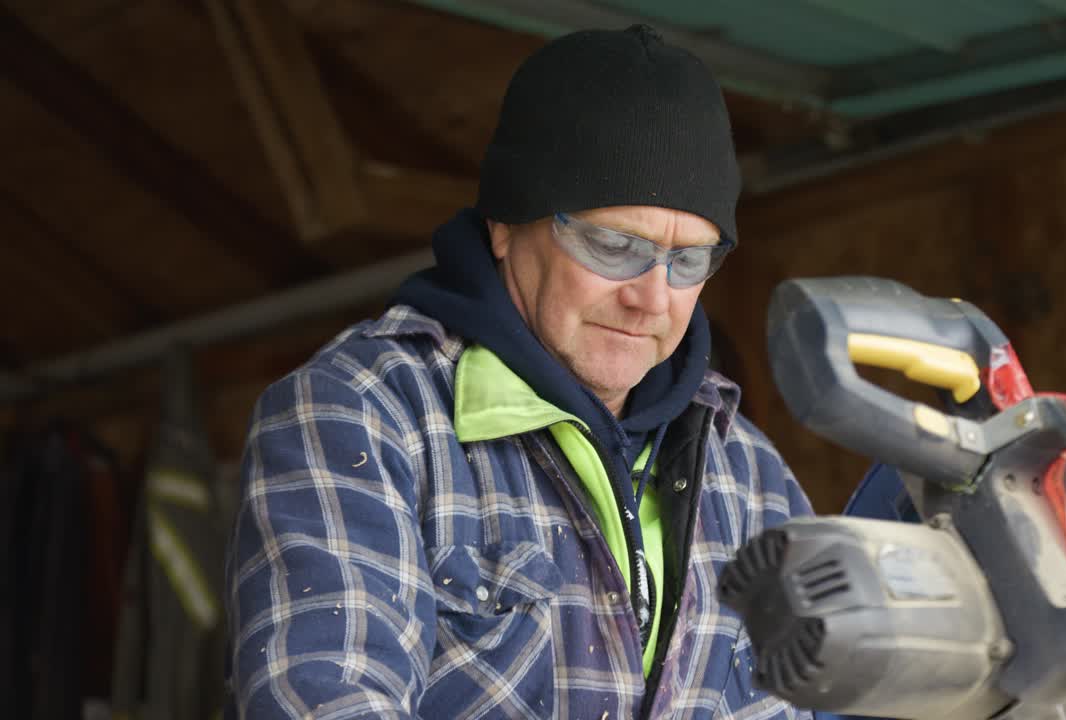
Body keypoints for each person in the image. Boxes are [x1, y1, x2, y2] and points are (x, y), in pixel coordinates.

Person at [225, 25, 815, 719]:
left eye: (688, 261)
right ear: (506, 224)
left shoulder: (748, 475)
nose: (651, 298)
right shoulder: (363, 414)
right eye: (614, 245)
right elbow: (326, 701)